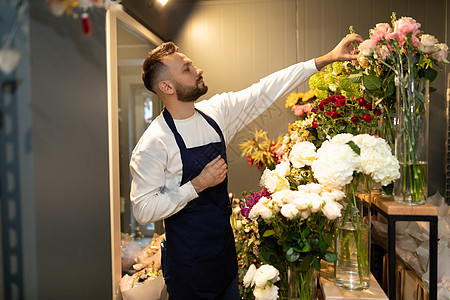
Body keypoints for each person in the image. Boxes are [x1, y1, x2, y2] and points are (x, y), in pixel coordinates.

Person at [130, 33, 363, 300]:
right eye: (187, 69)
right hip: (188, 270)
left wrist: (328, 59)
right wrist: (197, 185)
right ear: (167, 87)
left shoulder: (215, 113)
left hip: (224, 259)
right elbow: (143, 209)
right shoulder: (153, 143)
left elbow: (266, 89)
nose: (198, 70)